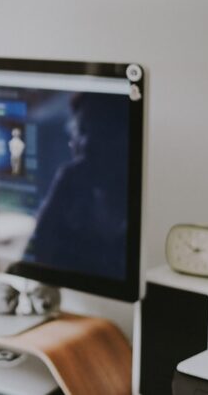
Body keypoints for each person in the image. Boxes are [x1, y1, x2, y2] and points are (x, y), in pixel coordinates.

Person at [18, 94, 129, 280]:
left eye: (102, 131)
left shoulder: (137, 203)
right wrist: (59, 193)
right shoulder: (70, 191)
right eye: (82, 131)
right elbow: (30, 263)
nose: (88, 144)